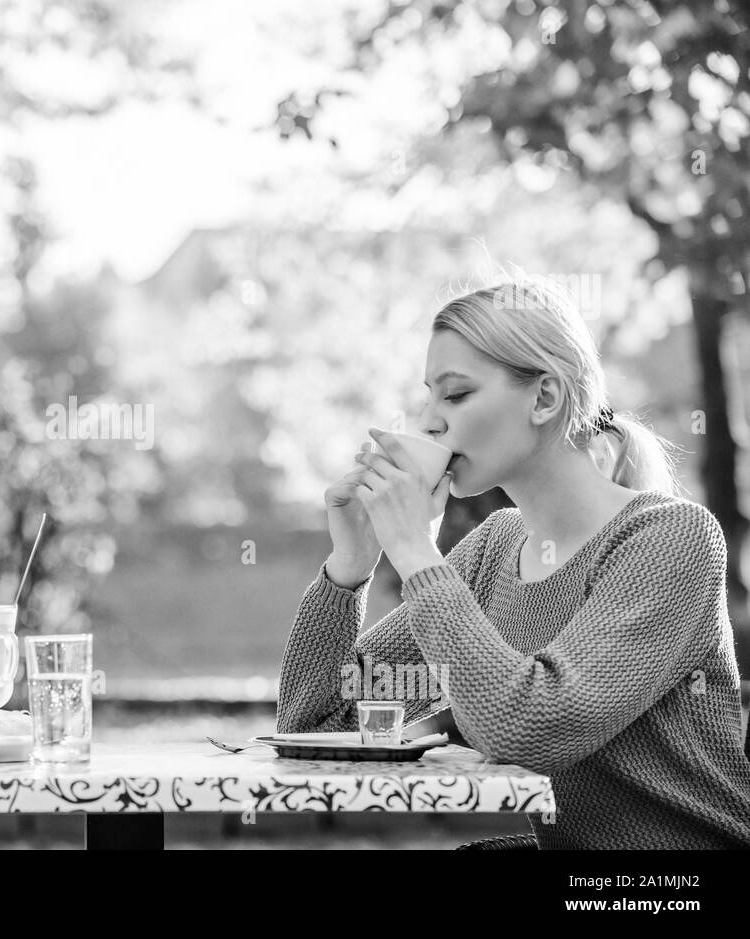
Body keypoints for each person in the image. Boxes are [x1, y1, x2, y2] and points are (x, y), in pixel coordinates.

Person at [277, 279, 750, 849]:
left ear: (544, 398)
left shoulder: (671, 538)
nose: (428, 421)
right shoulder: (495, 547)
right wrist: (350, 566)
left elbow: (533, 727)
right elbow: (319, 727)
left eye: (454, 396)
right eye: (429, 396)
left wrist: (415, 553)